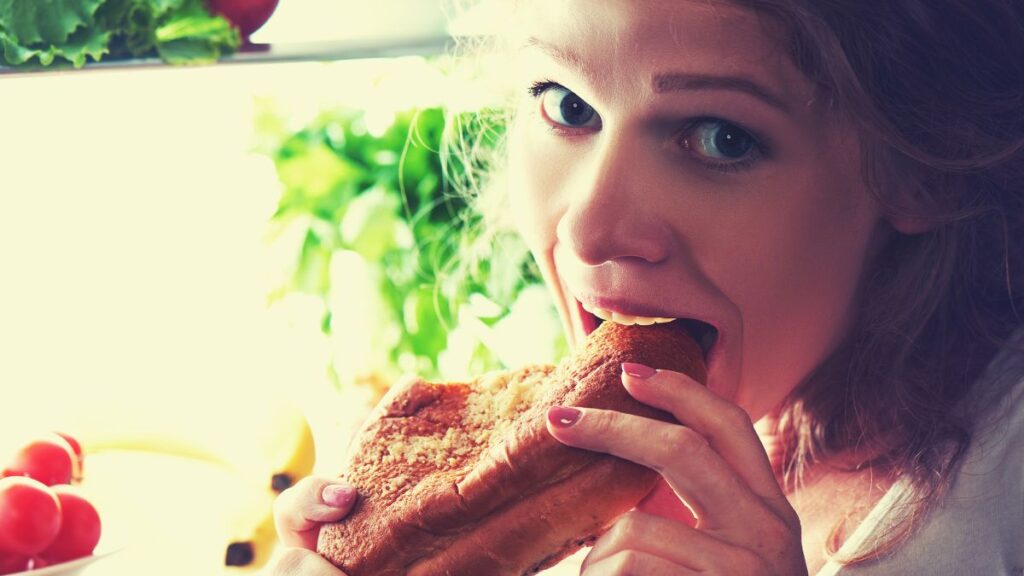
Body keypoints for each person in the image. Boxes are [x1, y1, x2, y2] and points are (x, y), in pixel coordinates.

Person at [270, 1, 1024, 574]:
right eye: (568, 106)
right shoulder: (555, 493)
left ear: (918, 167)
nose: (588, 230)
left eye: (721, 138)